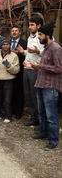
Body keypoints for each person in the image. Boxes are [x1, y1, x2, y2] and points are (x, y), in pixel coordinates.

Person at [32, 22, 62, 150]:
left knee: (51, 115)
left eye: (40, 34)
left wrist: (40, 66)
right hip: (41, 84)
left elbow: (59, 68)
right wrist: (35, 67)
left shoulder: (56, 48)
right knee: (42, 112)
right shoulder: (46, 48)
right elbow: (44, 68)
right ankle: (44, 133)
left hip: (50, 87)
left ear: (48, 35)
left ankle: (53, 140)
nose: (38, 37)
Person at [17, 16, 44, 126]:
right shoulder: (30, 37)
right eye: (29, 24)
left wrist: (37, 51)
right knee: (28, 95)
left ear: (39, 25)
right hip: (26, 69)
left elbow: (45, 53)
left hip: (35, 70)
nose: (30, 27)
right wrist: (23, 52)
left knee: (35, 95)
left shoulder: (42, 37)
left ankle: (39, 119)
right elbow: (29, 52)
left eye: (32, 25)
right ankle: (33, 117)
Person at [0, 39, 19, 123]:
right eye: (4, 44)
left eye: (7, 44)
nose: (5, 46)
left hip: (8, 80)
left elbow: (16, 70)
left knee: (7, 100)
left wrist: (8, 65)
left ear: (10, 46)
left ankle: (7, 116)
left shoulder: (14, 56)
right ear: (1, 46)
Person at [10, 26, 27, 119]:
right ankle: (11, 110)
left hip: (20, 70)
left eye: (16, 31)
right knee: (10, 91)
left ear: (19, 32)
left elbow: (28, 56)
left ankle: (18, 112)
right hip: (8, 70)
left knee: (19, 92)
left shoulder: (24, 43)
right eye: (12, 31)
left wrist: (19, 53)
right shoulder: (7, 43)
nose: (14, 32)